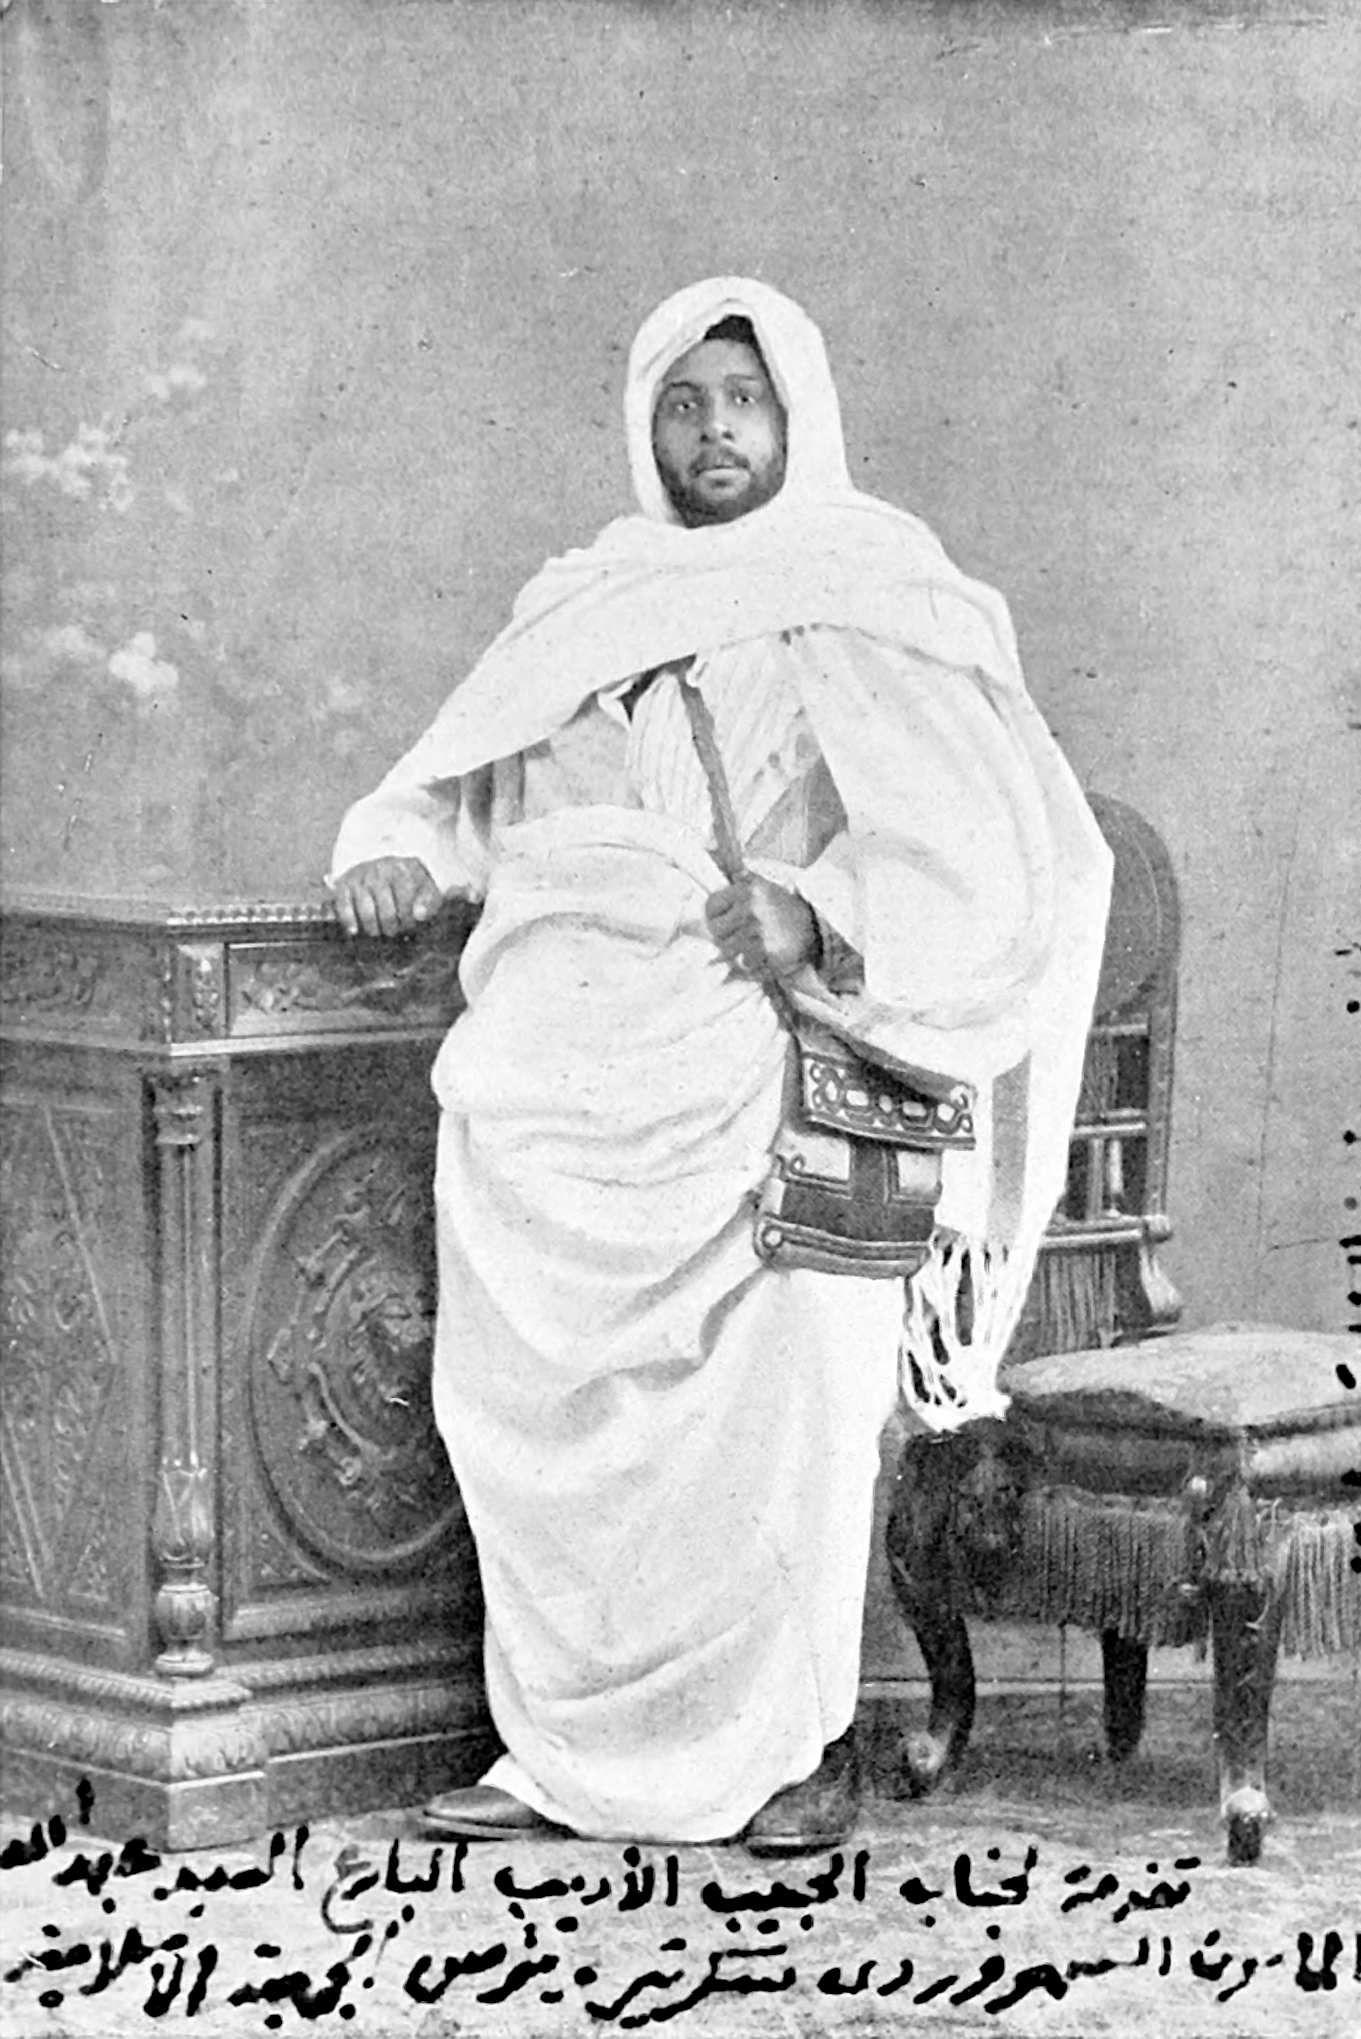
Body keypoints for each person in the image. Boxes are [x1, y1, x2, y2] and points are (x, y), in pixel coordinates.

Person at [329, 278, 1111, 1853]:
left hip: (755, 1061)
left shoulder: (863, 583)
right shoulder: (585, 600)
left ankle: (793, 1745)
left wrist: (821, 907)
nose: (714, 432)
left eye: (743, 401)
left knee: (785, 1400)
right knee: (539, 1409)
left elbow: (1001, 853)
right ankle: (566, 1756)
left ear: (795, 413)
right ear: (646, 424)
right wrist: (391, 848)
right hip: (560, 1071)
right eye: (683, 404)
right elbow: (464, 792)